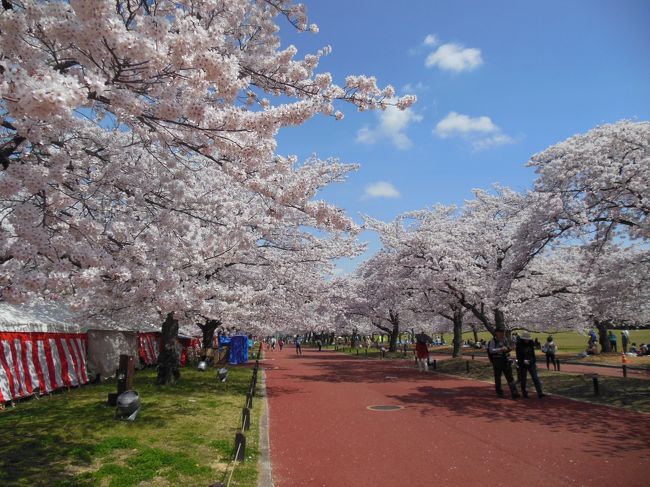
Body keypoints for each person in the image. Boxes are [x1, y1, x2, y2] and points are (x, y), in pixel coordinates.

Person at [487, 328, 520, 399]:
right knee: (498, 377)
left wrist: (510, 348)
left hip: (506, 360)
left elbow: (507, 348)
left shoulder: (505, 340)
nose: (503, 334)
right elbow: (491, 350)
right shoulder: (493, 341)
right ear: (497, 333)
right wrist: (500, 349)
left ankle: (514, 392)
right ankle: (499, 392)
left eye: (503, 332)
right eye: (501, 333)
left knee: (510, 377)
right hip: (497, 361)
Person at [515, 332, 545, 399]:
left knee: (535, 378)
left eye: (528, 339)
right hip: (522, 364)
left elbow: (532, 354)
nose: (527, 340)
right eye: (525, 339)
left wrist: (533, 361)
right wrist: (523, 361)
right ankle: (524, 393)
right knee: (523, 379)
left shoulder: (531, 343)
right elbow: (518, 355)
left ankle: (540, 393)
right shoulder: (519, 345)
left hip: (531, 363)